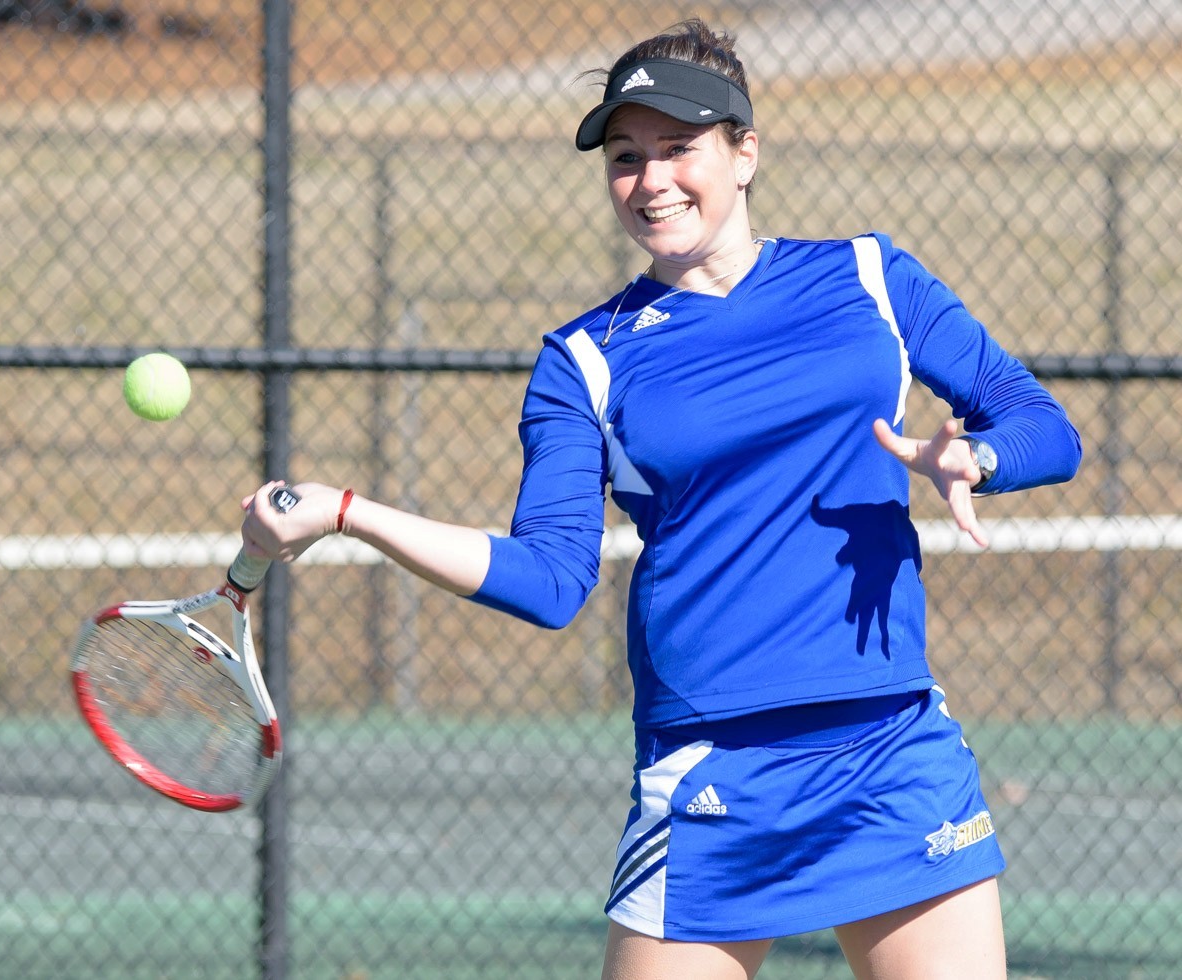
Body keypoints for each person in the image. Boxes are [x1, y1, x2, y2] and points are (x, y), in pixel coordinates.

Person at [239, 18, 1081, 980]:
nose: (651, 181)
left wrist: (980, 456)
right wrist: (348, 511)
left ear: (744, 153)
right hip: (710, 767)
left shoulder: (871, 277)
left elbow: (1045, 427)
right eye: (626, 158)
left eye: (679, 148)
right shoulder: (583, 361)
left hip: (891, 747)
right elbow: (550, 579)